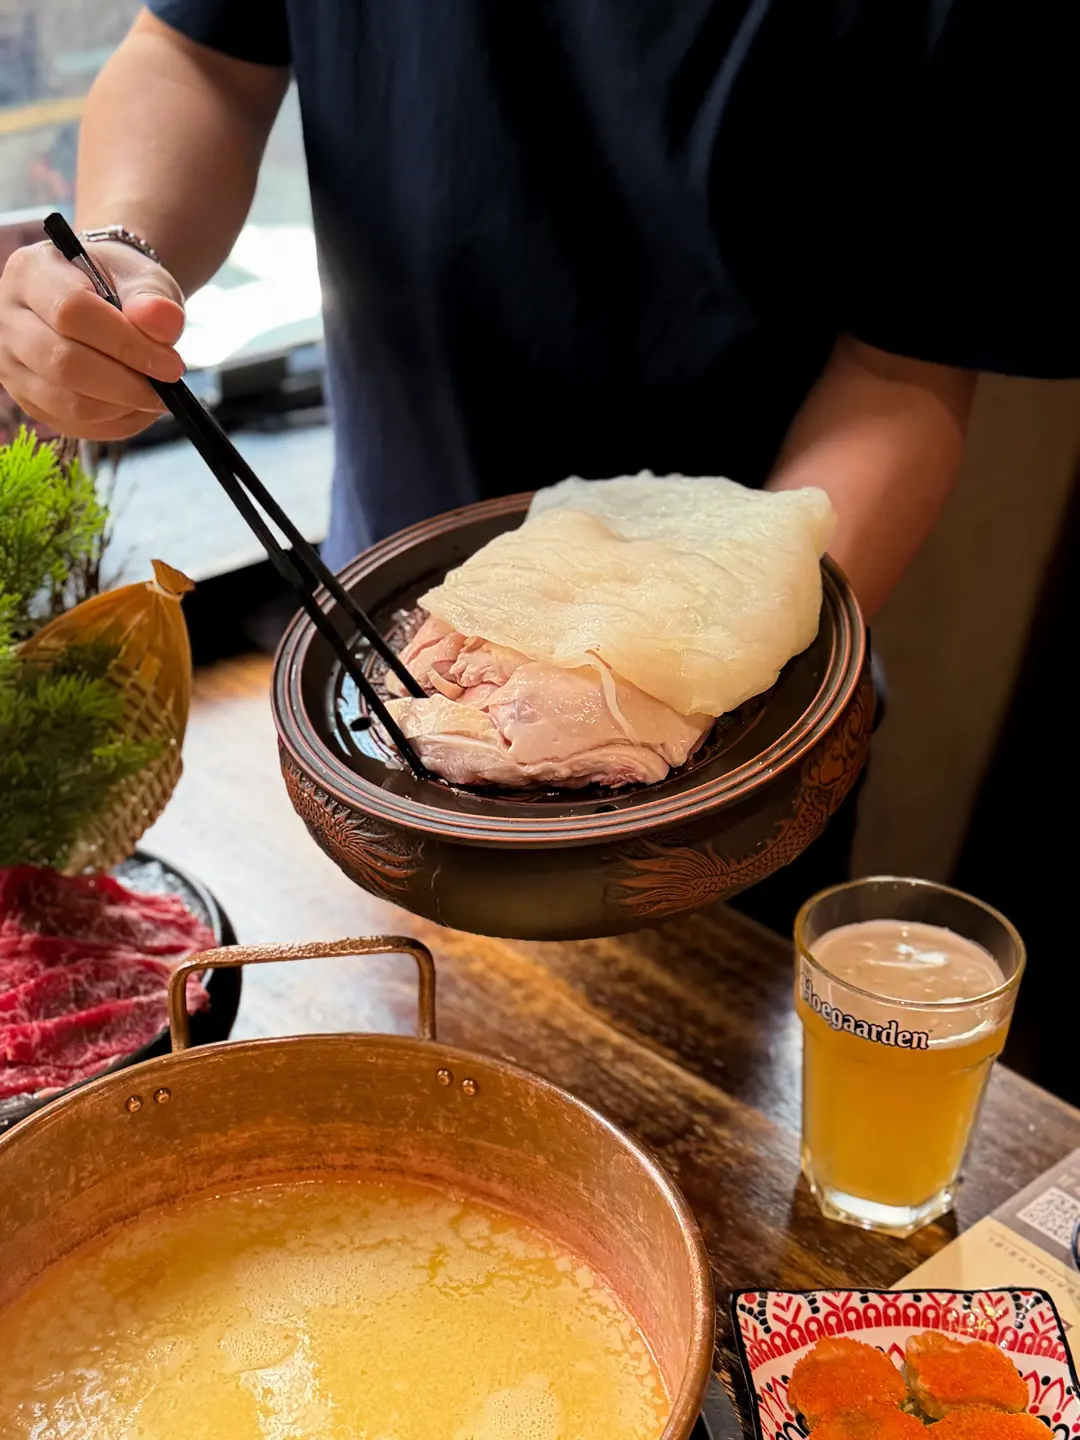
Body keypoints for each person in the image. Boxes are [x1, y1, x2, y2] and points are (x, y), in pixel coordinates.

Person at [0, 2, 1073, 933]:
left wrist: (669, 680)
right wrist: (127, 259)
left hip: (742, 709)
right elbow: (200, 57)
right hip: (392, 647)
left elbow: (900, 368)